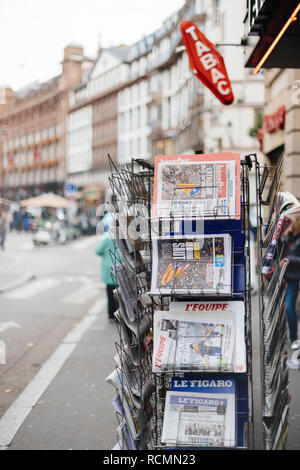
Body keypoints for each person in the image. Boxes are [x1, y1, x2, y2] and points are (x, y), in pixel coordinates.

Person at [95, 213, 119, 320]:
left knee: (110, 294)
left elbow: (98, 251)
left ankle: (111, 314)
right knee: (122, 295)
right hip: (122, 268)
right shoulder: (124, 235)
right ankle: (121, 315)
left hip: (109, 271)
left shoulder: (106, 237)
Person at [281, 216, 300, 350]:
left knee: (289, 307)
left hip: (293, 278)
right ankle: (283, 336)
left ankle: (294, 337)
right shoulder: (291, 237)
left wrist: (288, 259)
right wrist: (285, 234)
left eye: (295, 222)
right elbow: (278, 248)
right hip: (282, 277)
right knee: (282, 308)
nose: (293, 224)